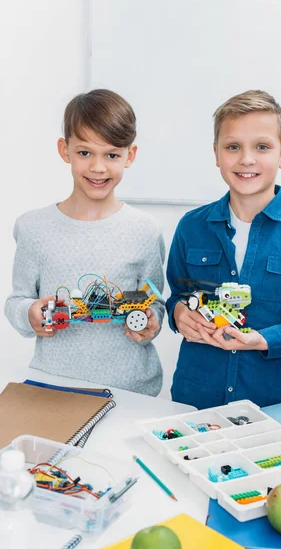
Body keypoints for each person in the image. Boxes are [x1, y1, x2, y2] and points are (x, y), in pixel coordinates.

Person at [166, 89, 281, 409]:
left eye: (262, 147)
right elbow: (178, 297)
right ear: (217, 153)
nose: (246, 159)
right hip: (194, 402)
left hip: (275, 406)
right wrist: (179, 313)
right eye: (233, 147)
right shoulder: (190, 227)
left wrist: (266, 340)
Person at [5, 89, 165, 394]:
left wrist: (149, 321)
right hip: (53, 387)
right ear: (64, 150)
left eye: (112, 155)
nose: (98, 167)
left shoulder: (145, 230)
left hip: (132, 390)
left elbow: (153, 300)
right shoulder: (32, 227)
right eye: (84, 153)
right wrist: (30, 313)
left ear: (130, 156)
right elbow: (17, 300)